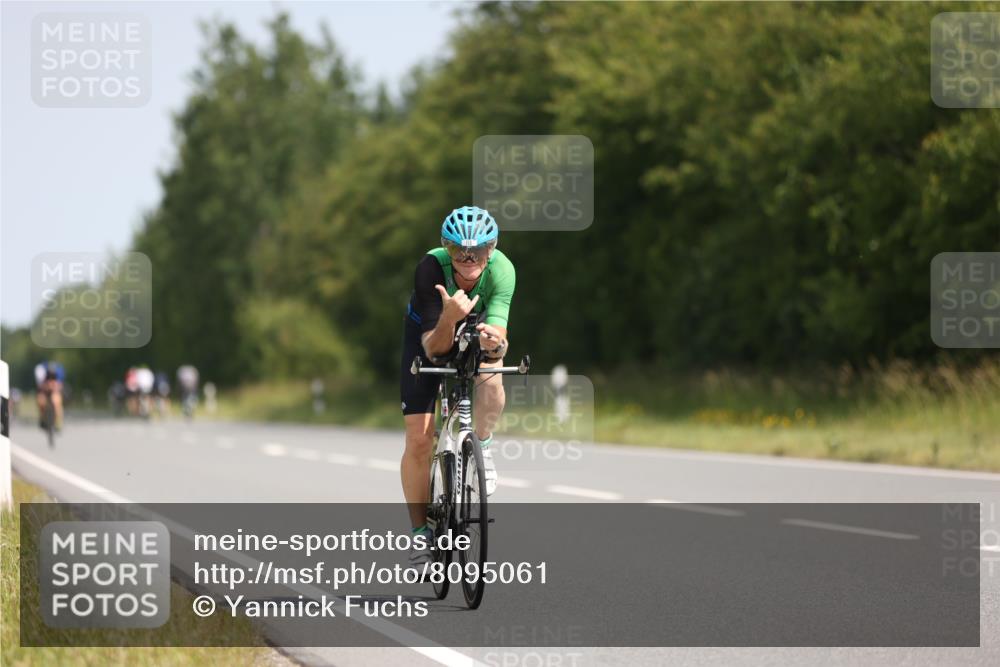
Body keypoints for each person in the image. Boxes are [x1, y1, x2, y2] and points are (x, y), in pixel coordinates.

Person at [399, 206, 514, 570]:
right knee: (419, 439)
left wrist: (495, 346)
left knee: (492, 376)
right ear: (446, 250)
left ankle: (481, 443)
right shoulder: (430, 268)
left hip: (475, 327)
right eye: (458, 251)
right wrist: (449, 315)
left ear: (491, 250)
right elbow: (433, 348)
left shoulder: (503, 271)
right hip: (429, 333)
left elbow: (499, 339)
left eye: (477, 252)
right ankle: (420, 535)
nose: (468, 260)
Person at [33, 361, 65, 430]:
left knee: (56, 401)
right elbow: (40, 388)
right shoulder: (44, 378)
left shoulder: (58, 378)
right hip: (45, 394)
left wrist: (54, 387)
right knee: (41, 400)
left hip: (54, 393)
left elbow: (60, 387)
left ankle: (58, 422)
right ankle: (42, 419)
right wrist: (46, 387)